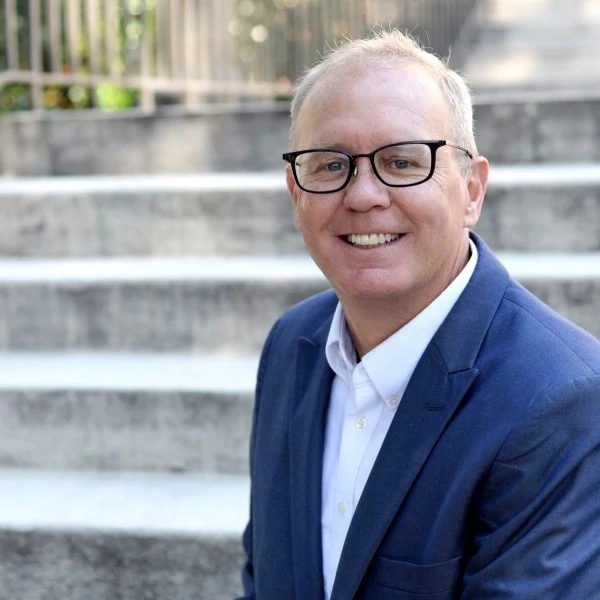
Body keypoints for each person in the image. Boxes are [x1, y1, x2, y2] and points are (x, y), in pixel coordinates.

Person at [237, 29, 600, 599]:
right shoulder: (291, 345)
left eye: (403, 161)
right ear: (295, 194)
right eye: (331, 166)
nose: (362, 195)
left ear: (471, 190)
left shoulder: (562, 400)